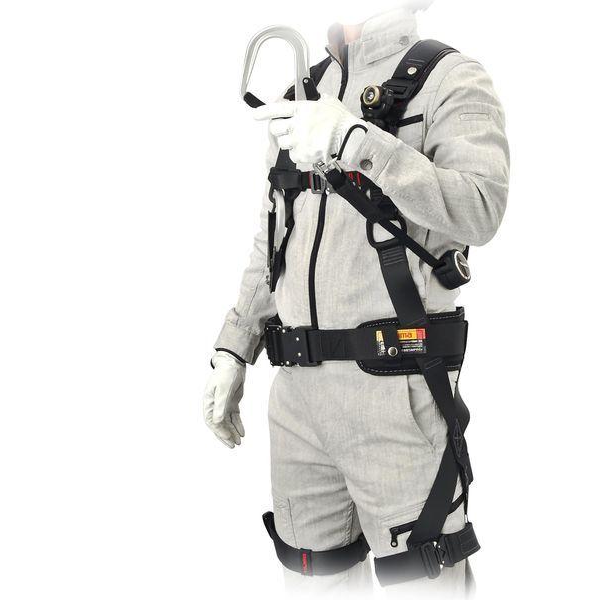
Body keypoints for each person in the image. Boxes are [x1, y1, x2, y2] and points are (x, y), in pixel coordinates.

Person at [203, 1, 509, 595]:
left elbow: (481, 206)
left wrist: (354, 139)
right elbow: (274, 239)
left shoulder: (450, 77)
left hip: (398, 399)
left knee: (424, 581)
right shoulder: (305, 88)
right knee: (312, 582)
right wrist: (233, 348)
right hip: (297, 405)